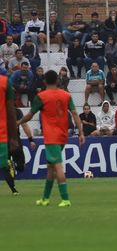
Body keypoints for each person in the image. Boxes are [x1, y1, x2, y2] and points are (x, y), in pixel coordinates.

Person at [17, 70, 84, 206]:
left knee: (57, 166)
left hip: (51, 136)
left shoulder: (41, 97)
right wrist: (81, 132)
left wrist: (17, 123)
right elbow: (75, 113)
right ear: (57, 80)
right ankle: (45, 199)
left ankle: (65, 199)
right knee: (50, 167)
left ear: (45, 81)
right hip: (62, 134)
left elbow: (30, 115)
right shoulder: (66, 95)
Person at [0, 74, 27, 196]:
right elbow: (12, 117)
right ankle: (13, 189)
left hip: (8, 136)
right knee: (5, 165)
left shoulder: (16, 111)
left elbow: (24, 125)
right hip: (7, 137)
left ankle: (16, 167)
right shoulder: (4, 83)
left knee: (10, 166)